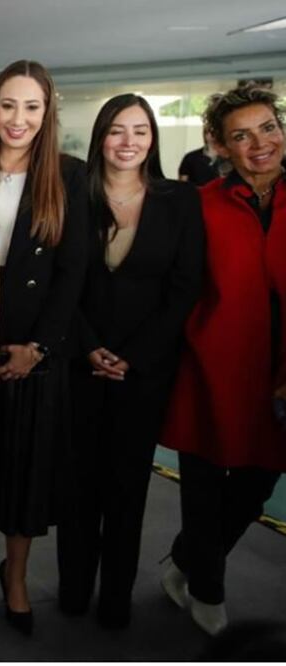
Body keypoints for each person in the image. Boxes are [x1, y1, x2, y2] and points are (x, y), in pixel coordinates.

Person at [0, 60, 88, 636]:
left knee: (26, 473)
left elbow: (72, 272)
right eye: (8, 105)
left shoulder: (70, 176)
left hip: (33, 348)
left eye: (31, 106)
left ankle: (18, 576)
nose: (18, 118)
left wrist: (40, 348)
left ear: (47, 112)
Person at [56, 94, 205, 629]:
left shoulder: (178, 200)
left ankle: (116, 596)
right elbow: (59, 278)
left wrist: (134, 356)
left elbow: (184, 287)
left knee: (127, 488)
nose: (128, 142)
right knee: (77, 487)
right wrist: (86, 344)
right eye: (117, 130)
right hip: (79, 362)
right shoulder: (73, 194)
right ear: (101, 137)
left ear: (153, 139)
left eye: (140, 131)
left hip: (143, 370)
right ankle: (73, 589)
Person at [160, 84, 286, 636]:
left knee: (256, 487)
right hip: (207, 371)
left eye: (268, 128)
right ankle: (208, 590)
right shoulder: (201, 205)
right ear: (220, 145)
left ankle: (186, 560)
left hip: (279, 376)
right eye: (242, 135)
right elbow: (177, 286)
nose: (260, 144)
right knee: (204, 489)